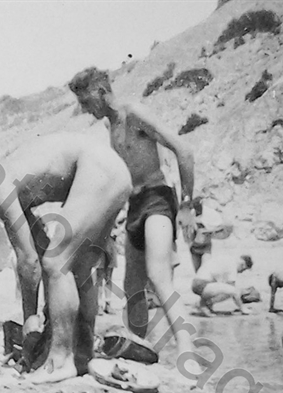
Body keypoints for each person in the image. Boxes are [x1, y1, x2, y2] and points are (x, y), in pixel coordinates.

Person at [0, 133, 132, 383]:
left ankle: (60, 360)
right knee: (79, 266)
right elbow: (38, 246)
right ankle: (82, 354)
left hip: (98, 168)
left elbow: (30, 261)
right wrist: (36, 326)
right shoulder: (2, 180)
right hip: (112, 170)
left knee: (58, 263)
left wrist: (29, 320)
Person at [69, 67, 197, 361]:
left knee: (159, 276)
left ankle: (187, 355)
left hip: (158, 200)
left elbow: (184, 150)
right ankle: (138, 350)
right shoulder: (109, 126)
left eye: (86, 102)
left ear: (101, 92)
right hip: (135, 206)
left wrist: (188, 205)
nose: (84, 110)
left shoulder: (134, 113)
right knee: (131, 288)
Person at [187, 198, 213, 272]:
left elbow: (217, 226)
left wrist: (205, 230)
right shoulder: (192, 213)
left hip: (206, 246)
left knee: (206, 269)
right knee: (198, 271)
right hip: (195, 246)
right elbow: (188, 229)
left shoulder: (208, 213)